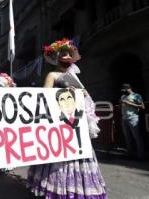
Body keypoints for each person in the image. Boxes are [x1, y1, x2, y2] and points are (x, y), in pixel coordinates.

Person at [27, 38, 107, 199]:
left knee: (81, 154)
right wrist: (63, 94)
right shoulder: (52, 74)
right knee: (62, 157)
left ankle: (81, 190)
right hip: (61, 123)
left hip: (77, 123)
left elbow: (87, 97)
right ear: (56, 57)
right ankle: (58, 189)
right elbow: (45, 96)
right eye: (63, 54)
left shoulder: (75, 77)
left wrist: (83, 94)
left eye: (69, 54)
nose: (67, 57)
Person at [120, 83, 145, 159]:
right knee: (127, 137)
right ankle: (130, 154)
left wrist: (129, 103)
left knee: (137, 137)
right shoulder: (123, 96)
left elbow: (142, 106)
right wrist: (121, 104)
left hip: (133, 118)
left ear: (129, 88)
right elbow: (121, 105)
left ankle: (141, 155)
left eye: (124, 90)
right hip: (124, 118)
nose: (123, 91)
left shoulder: (136, 96)